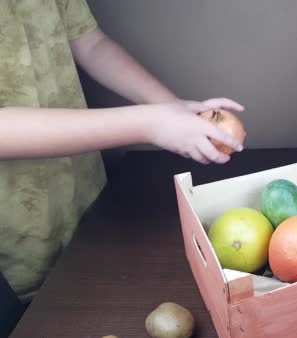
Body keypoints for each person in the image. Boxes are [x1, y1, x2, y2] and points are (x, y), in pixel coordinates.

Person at [0, 0, 244, 302]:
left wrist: (170, 109)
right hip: (13, 249)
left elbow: (91, 43)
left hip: (83, 204)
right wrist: (148, 125)